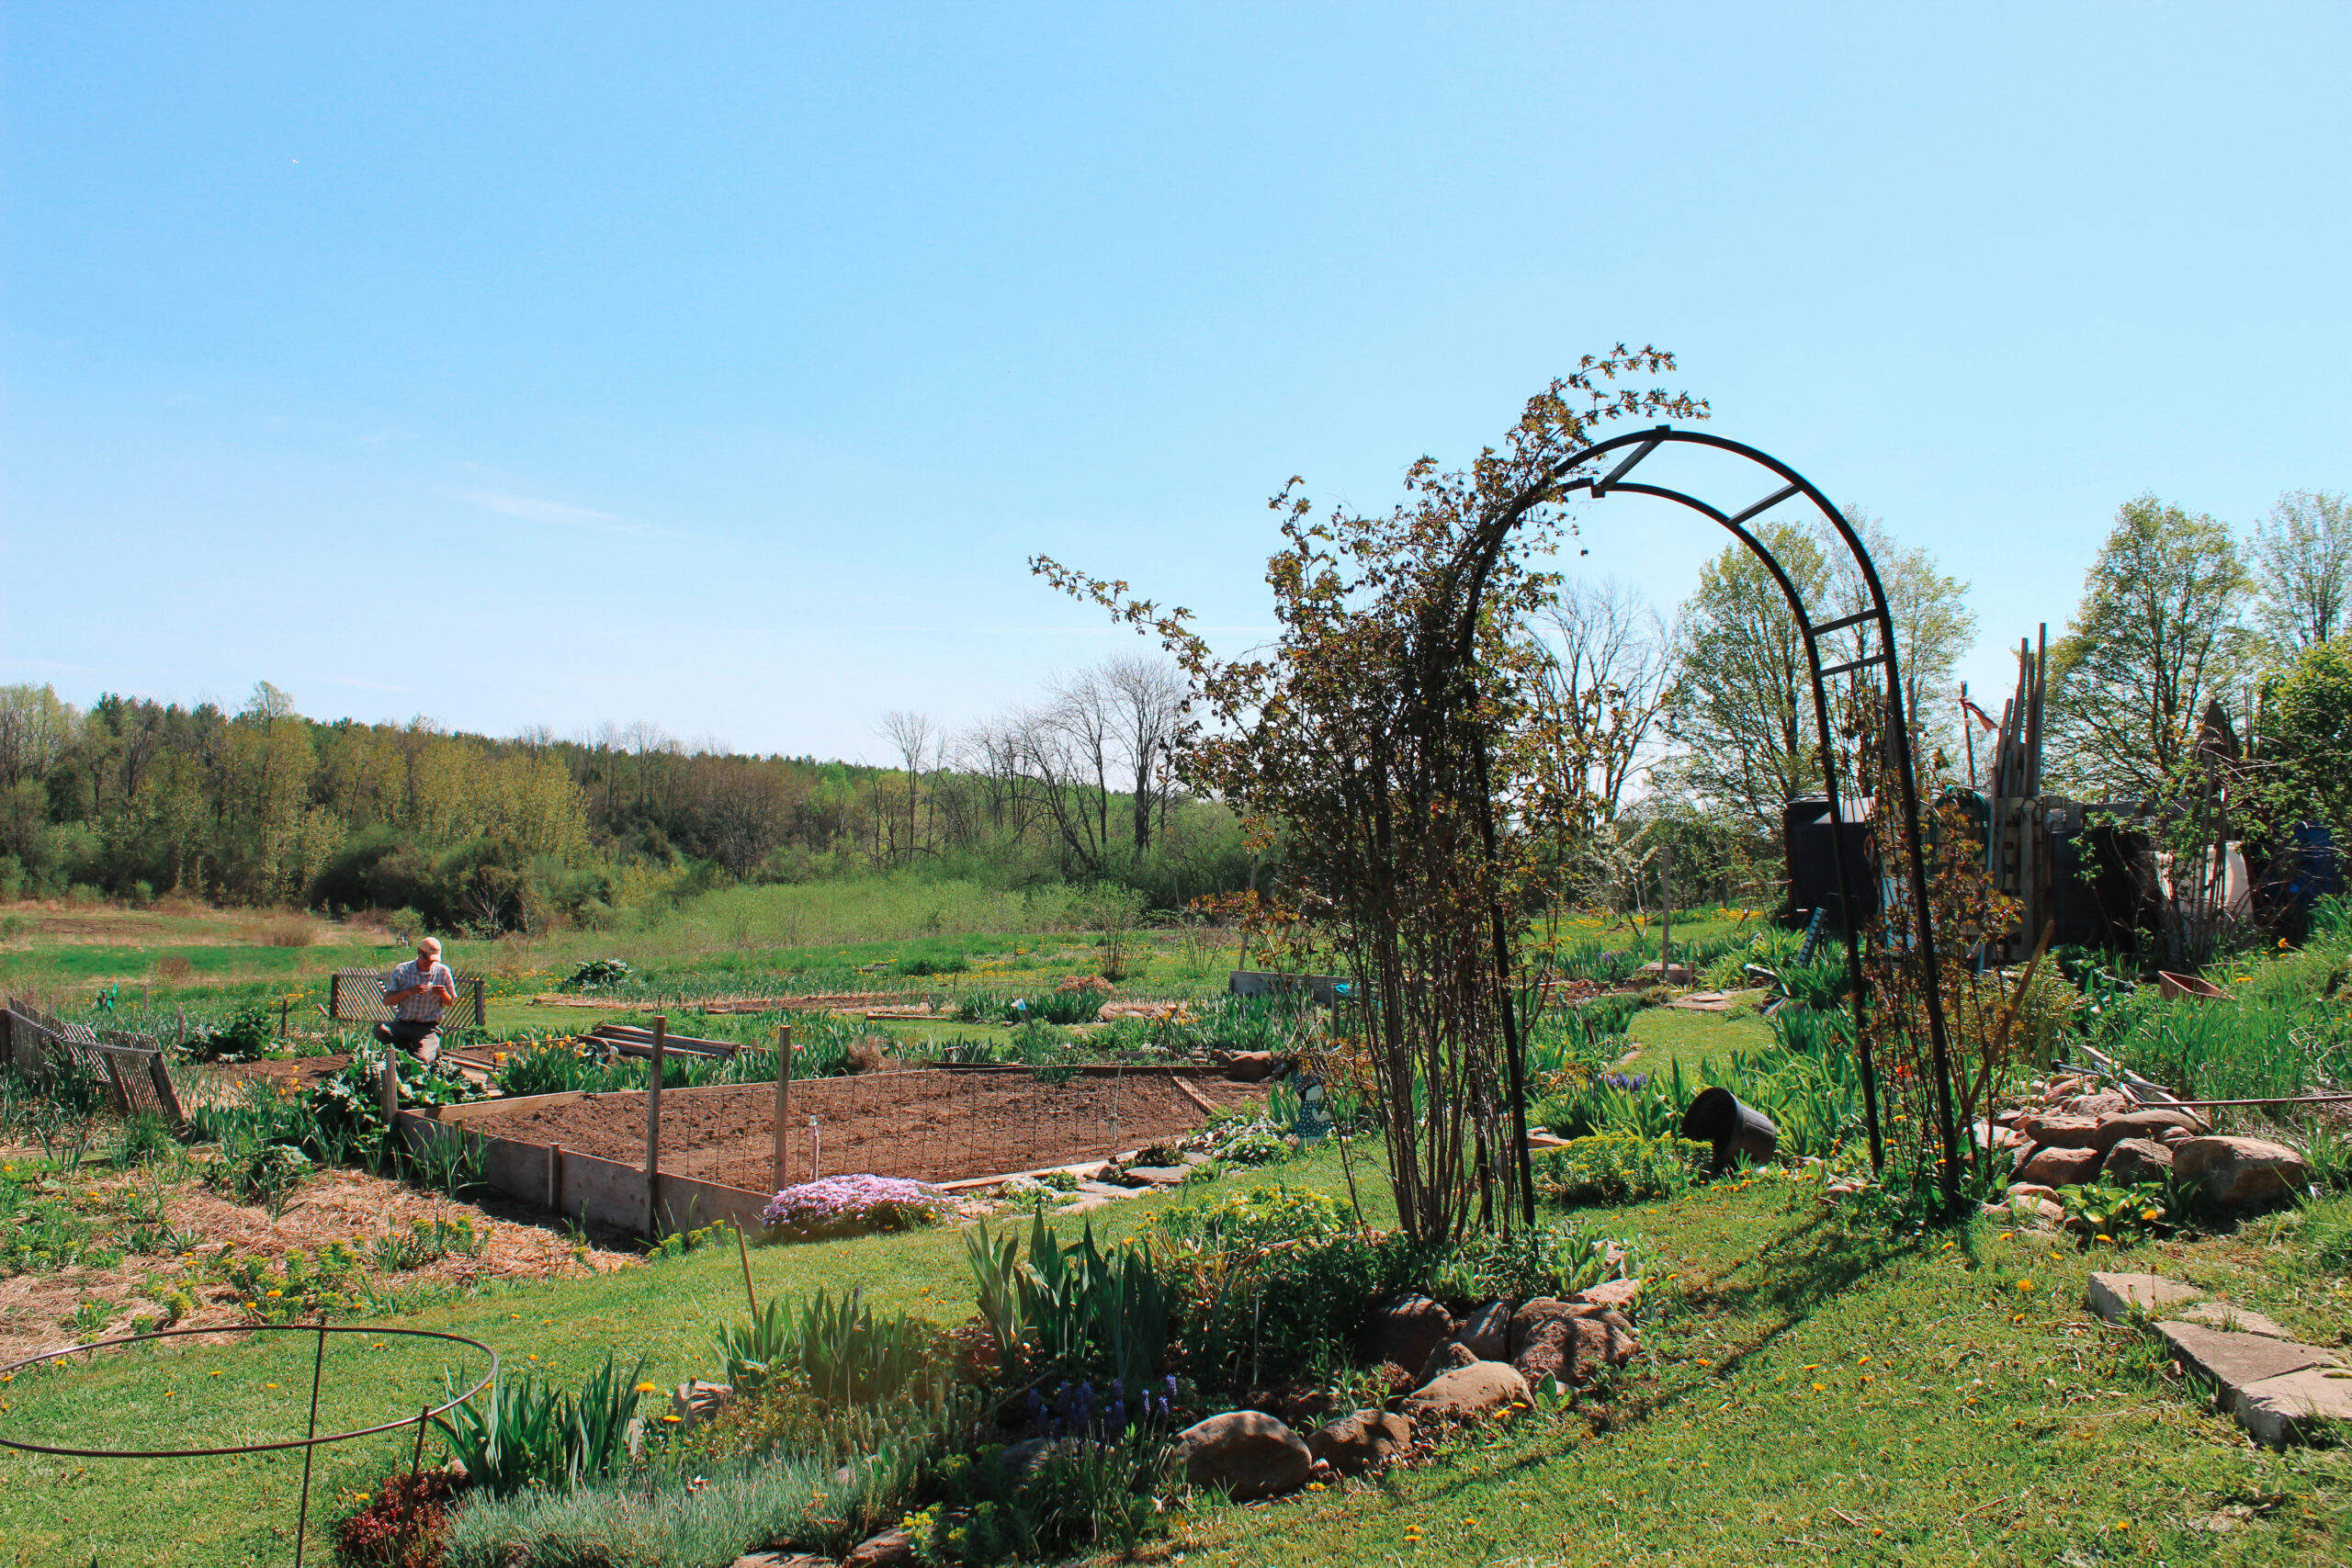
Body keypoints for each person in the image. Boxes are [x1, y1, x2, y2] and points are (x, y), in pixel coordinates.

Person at [379, 937, 458, 1065]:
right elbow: (387, 1001)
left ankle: (429, 1050)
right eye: (428, 959)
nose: (430, 963)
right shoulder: (402, 970)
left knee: (421, 1062)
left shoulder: (442, 971)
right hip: (404, 1024)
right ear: (420, 953)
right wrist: (407, 992)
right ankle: (404, 1047)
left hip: (428, 1027)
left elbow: (450, 1002)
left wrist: (443, 993)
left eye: (434, 960)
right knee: (380, 1030)